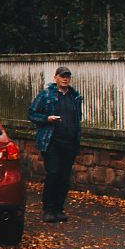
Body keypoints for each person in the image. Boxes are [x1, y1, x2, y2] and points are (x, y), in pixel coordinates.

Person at [28, 65, 84, 223]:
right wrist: (47, 119)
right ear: (56, 78)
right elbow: (32, 114)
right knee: (54, 173)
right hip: (51, 141)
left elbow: (77, 118)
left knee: (64, 176)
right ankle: (48, 209)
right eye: (62, 76)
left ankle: (59, 209)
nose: (65, 79)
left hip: (70, 142)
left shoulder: (75, 96)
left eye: (68, 76)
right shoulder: (46, 94)